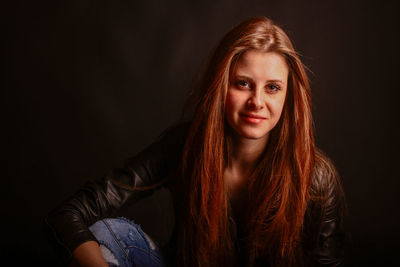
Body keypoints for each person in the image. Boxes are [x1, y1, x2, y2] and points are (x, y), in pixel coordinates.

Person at [45, 16, 345, 267]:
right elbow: (68, 214)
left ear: (289, 96)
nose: (257, 101)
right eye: (243, 83)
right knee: (110, 232)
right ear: (221, 86)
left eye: (273, 88)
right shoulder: (185, 147)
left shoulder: (316, 177)